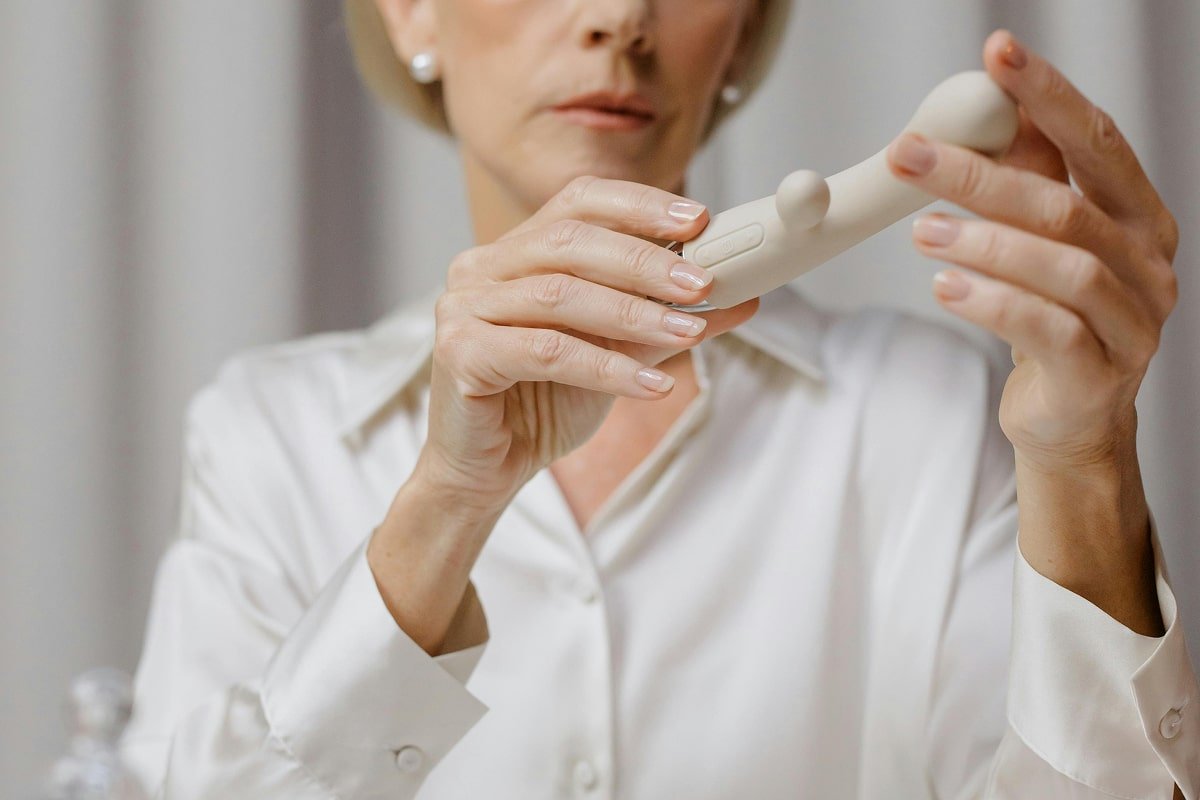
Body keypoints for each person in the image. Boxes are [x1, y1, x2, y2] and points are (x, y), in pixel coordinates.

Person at [119, 1, 1198, 798]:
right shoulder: (267, 434)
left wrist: (1083, 458)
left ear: (742, 30)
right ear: (410, 12)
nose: (620, 16)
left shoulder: (931, 413)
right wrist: (445, 504)